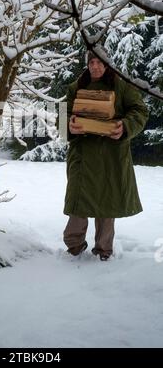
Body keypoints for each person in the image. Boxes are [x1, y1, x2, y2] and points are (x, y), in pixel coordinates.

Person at [63, 51, 149, 260]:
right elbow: (62, 114)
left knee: (107, 201)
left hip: (111, 154)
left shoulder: (121, 86)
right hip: (83, 154)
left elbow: (140, 110)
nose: (95, 66)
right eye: (91, 62)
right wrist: (69, 125)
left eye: (99, 62)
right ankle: (74, 245)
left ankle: (103, 249)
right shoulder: (76, 87)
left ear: (107, 63)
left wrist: (125, 126)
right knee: (78, 199)